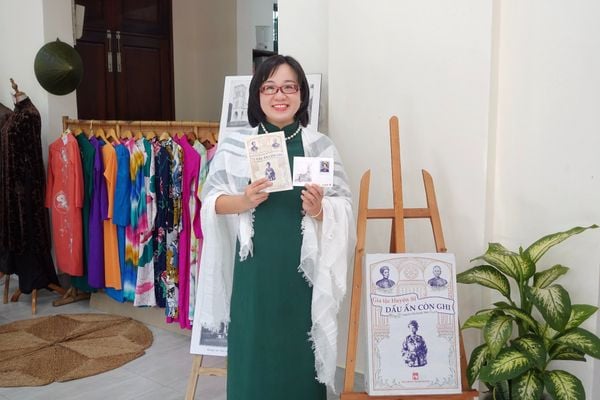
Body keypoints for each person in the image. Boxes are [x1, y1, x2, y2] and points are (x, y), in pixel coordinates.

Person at [196, 55, 355, 400]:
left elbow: (343, 206)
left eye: (288, 87)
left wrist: (320, 210)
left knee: (299, 353)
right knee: (254, 353)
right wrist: (244, 200)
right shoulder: (236, 146)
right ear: (257, 95)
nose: (279, 95)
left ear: (302, 94)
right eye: (269, 88)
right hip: (254, 272)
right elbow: (210, 202)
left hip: (303, 274)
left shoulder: (320, 146)